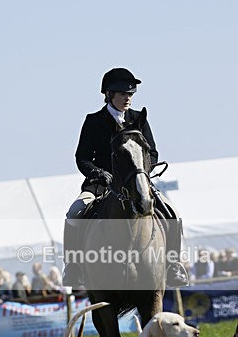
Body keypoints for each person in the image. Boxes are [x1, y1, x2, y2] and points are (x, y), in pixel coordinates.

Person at [62, 67, 189, 288]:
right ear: (109, 94)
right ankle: (73, 268)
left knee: (173, 214)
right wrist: (99, 174)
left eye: (130, 94)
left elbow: (153, 152)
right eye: (123, 94)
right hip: (102, 185)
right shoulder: (93, 121)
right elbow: (82, 157)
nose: (127, 98)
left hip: (136, 182)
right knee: (74, 212)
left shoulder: (138, 118)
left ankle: (173, 265)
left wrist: (141, 174)